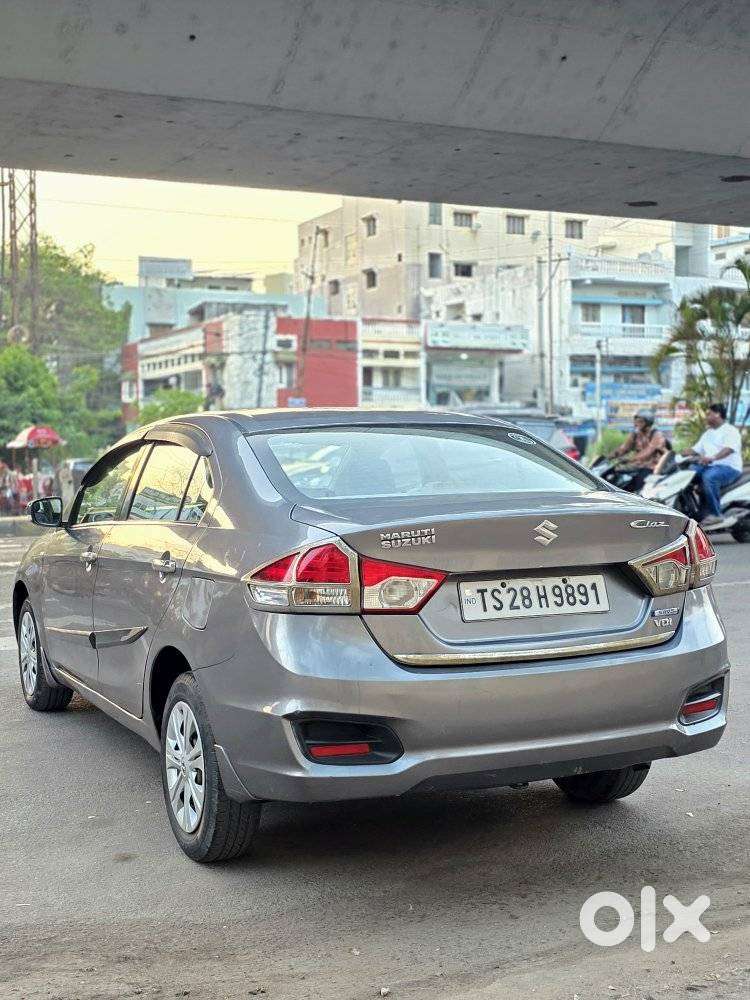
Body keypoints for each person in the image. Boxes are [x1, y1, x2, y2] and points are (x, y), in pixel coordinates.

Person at [681, 403, 743, 525]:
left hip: (729, 467)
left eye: (708, 414)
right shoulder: (708, 433)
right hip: (710, 466)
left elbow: (729, 449)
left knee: (709, 477)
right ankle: (691, 511)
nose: (706, 417)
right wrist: (681, 453)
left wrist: (712, 458)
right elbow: (696, 449)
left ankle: (716, 514)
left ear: (717, 414)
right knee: (687, 474)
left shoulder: (730, 430)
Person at [610, 409, 668, 491]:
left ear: (648, 423)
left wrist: (630, 459)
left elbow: (648, 452)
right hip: (636, 466)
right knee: (617, 479)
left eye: (640, 422)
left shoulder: (657, 435)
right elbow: (624, 448)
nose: (637, 424)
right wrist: (611, 456)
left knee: (639, 483)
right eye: (636, 421)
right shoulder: (635, 434)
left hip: (652, 468)